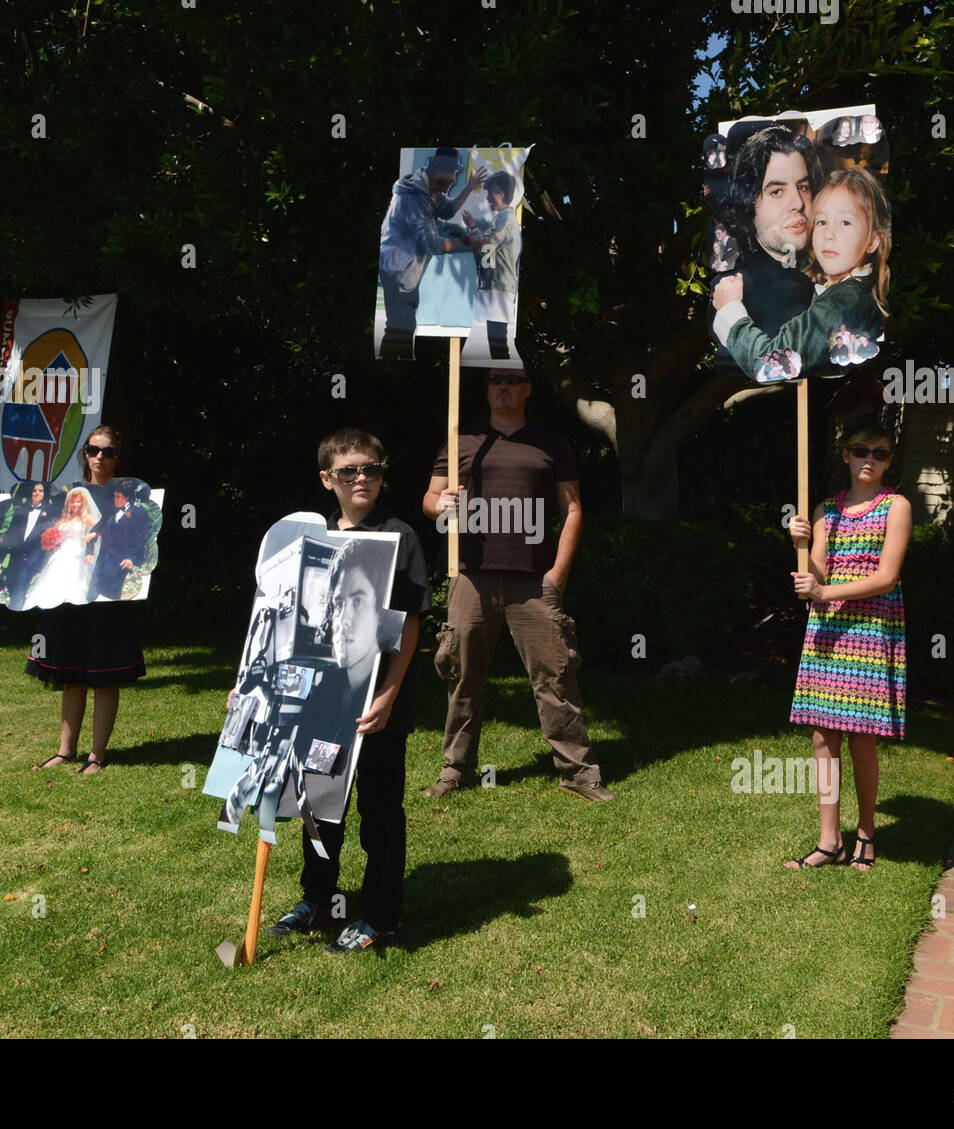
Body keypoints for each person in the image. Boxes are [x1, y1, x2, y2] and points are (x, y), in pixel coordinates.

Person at [264, 428, 430, 954]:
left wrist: (387, 694)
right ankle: (317, 899)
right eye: (349, 471)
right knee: (319, 803)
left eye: (372, 469)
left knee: (380, 810)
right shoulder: (307, 539)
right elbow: (277, 617)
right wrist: (252, 683)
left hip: (376, 699)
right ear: (327, 479)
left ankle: (381, 917)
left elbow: (407, 626)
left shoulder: (398, 535)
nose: (362, 478)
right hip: (318, 697)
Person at [422, 369, 614, 802]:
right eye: (494, 380)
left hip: (533, 581)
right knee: (462, 676)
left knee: (556, 677)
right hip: (471, 575)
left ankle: (579, 774)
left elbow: (573, 509)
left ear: (528, 388)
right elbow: (429, 501)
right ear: (486, 389)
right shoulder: (461, 442)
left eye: (513, 379)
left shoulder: (550, 443)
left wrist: (557, 575)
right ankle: (456, 770)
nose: (502, 386)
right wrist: (442, 505)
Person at [784, 418, 911, 871]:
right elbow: (814, 573)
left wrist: (824, 593)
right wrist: (801, 545)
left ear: (889, 460)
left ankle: (867, 834)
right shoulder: (825, 511)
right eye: (861, 451)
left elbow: (886, 577)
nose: (870, 461)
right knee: (823, 737)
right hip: (827, 633)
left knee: (862, 739)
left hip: (870, 632)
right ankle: (828, 840)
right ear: (845, 453)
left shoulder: (896, 506)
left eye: (880, 454)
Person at [26, 425, 145, 775]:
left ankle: (97, 755)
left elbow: (137, 542)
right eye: (93, 451)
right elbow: (48, 539)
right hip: (70, 592)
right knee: (71, 673)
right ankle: (65, 751)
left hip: (108, 594)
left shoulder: (131, 499)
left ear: (118, 457)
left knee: (105, 675)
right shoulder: (67, 495)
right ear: (86, 454)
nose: (99, 458)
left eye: (108, 452)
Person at [712, 166, 890, 380]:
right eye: (822, 222)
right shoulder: (845, 292)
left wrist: (730, 309)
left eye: (845, 222)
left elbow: (767, 364)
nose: (829, 234)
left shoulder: (843, 302)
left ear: (873, 241)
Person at [708, 124, 825, 357]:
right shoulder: (733, 290)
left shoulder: (820, 274)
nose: (798, 203)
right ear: (749, 203)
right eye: (776, 191)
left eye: (802, 187)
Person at [377, 148, 487, 359]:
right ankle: (390, 371)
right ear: (441, 171)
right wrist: (467, 242)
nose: (454, 180)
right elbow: (431, 244)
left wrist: (470, 187)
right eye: (453, 173)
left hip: (405, 271)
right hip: (397, 271)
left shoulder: (431, 190)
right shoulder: (416, 197)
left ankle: (392, 365)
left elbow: (448, 211)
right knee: (400, 329)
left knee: (403, 327)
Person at [464, 169, 521, 361]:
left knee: (497, 345)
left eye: (490, 193)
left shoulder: (504, 218)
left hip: (499, 289)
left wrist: (472, 226)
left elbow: (486, 246)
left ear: (501, 193)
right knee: (497, 344)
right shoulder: (504, 218)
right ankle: (501, 369)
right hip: (498, 288)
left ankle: (502, 371)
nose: (488, 198)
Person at [29, 485, 101, 608]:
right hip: (60, 553)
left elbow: (103, 528)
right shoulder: (63, 520)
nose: (75, 504)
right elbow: (55, 533)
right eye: (72, 501)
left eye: (78, 502)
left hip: (77, 552)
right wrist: (52, 542)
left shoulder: (87, 518)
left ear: (83, 503)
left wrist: (92, 536)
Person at [0, 481, 56, 610]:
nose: (37, 493)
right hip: (16, 556)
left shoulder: (51, 514)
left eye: (40, 491)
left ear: (45, 494)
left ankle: (15, 613)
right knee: (13, 585)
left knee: (20, 586)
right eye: (34, 490)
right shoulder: (20, 511)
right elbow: (9, 536)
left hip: (34, 557)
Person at [88, 479, 149, 601]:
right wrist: (93, 535)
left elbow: (139, 538)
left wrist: (131, 558)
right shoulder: (112, 512)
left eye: (119, 497)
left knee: (111, 596)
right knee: (92, 593)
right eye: (114, 496)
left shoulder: (138, 513)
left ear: (127, 498)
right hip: (103, 560)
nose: (116, 499)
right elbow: (100, 527)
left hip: (120, 561)